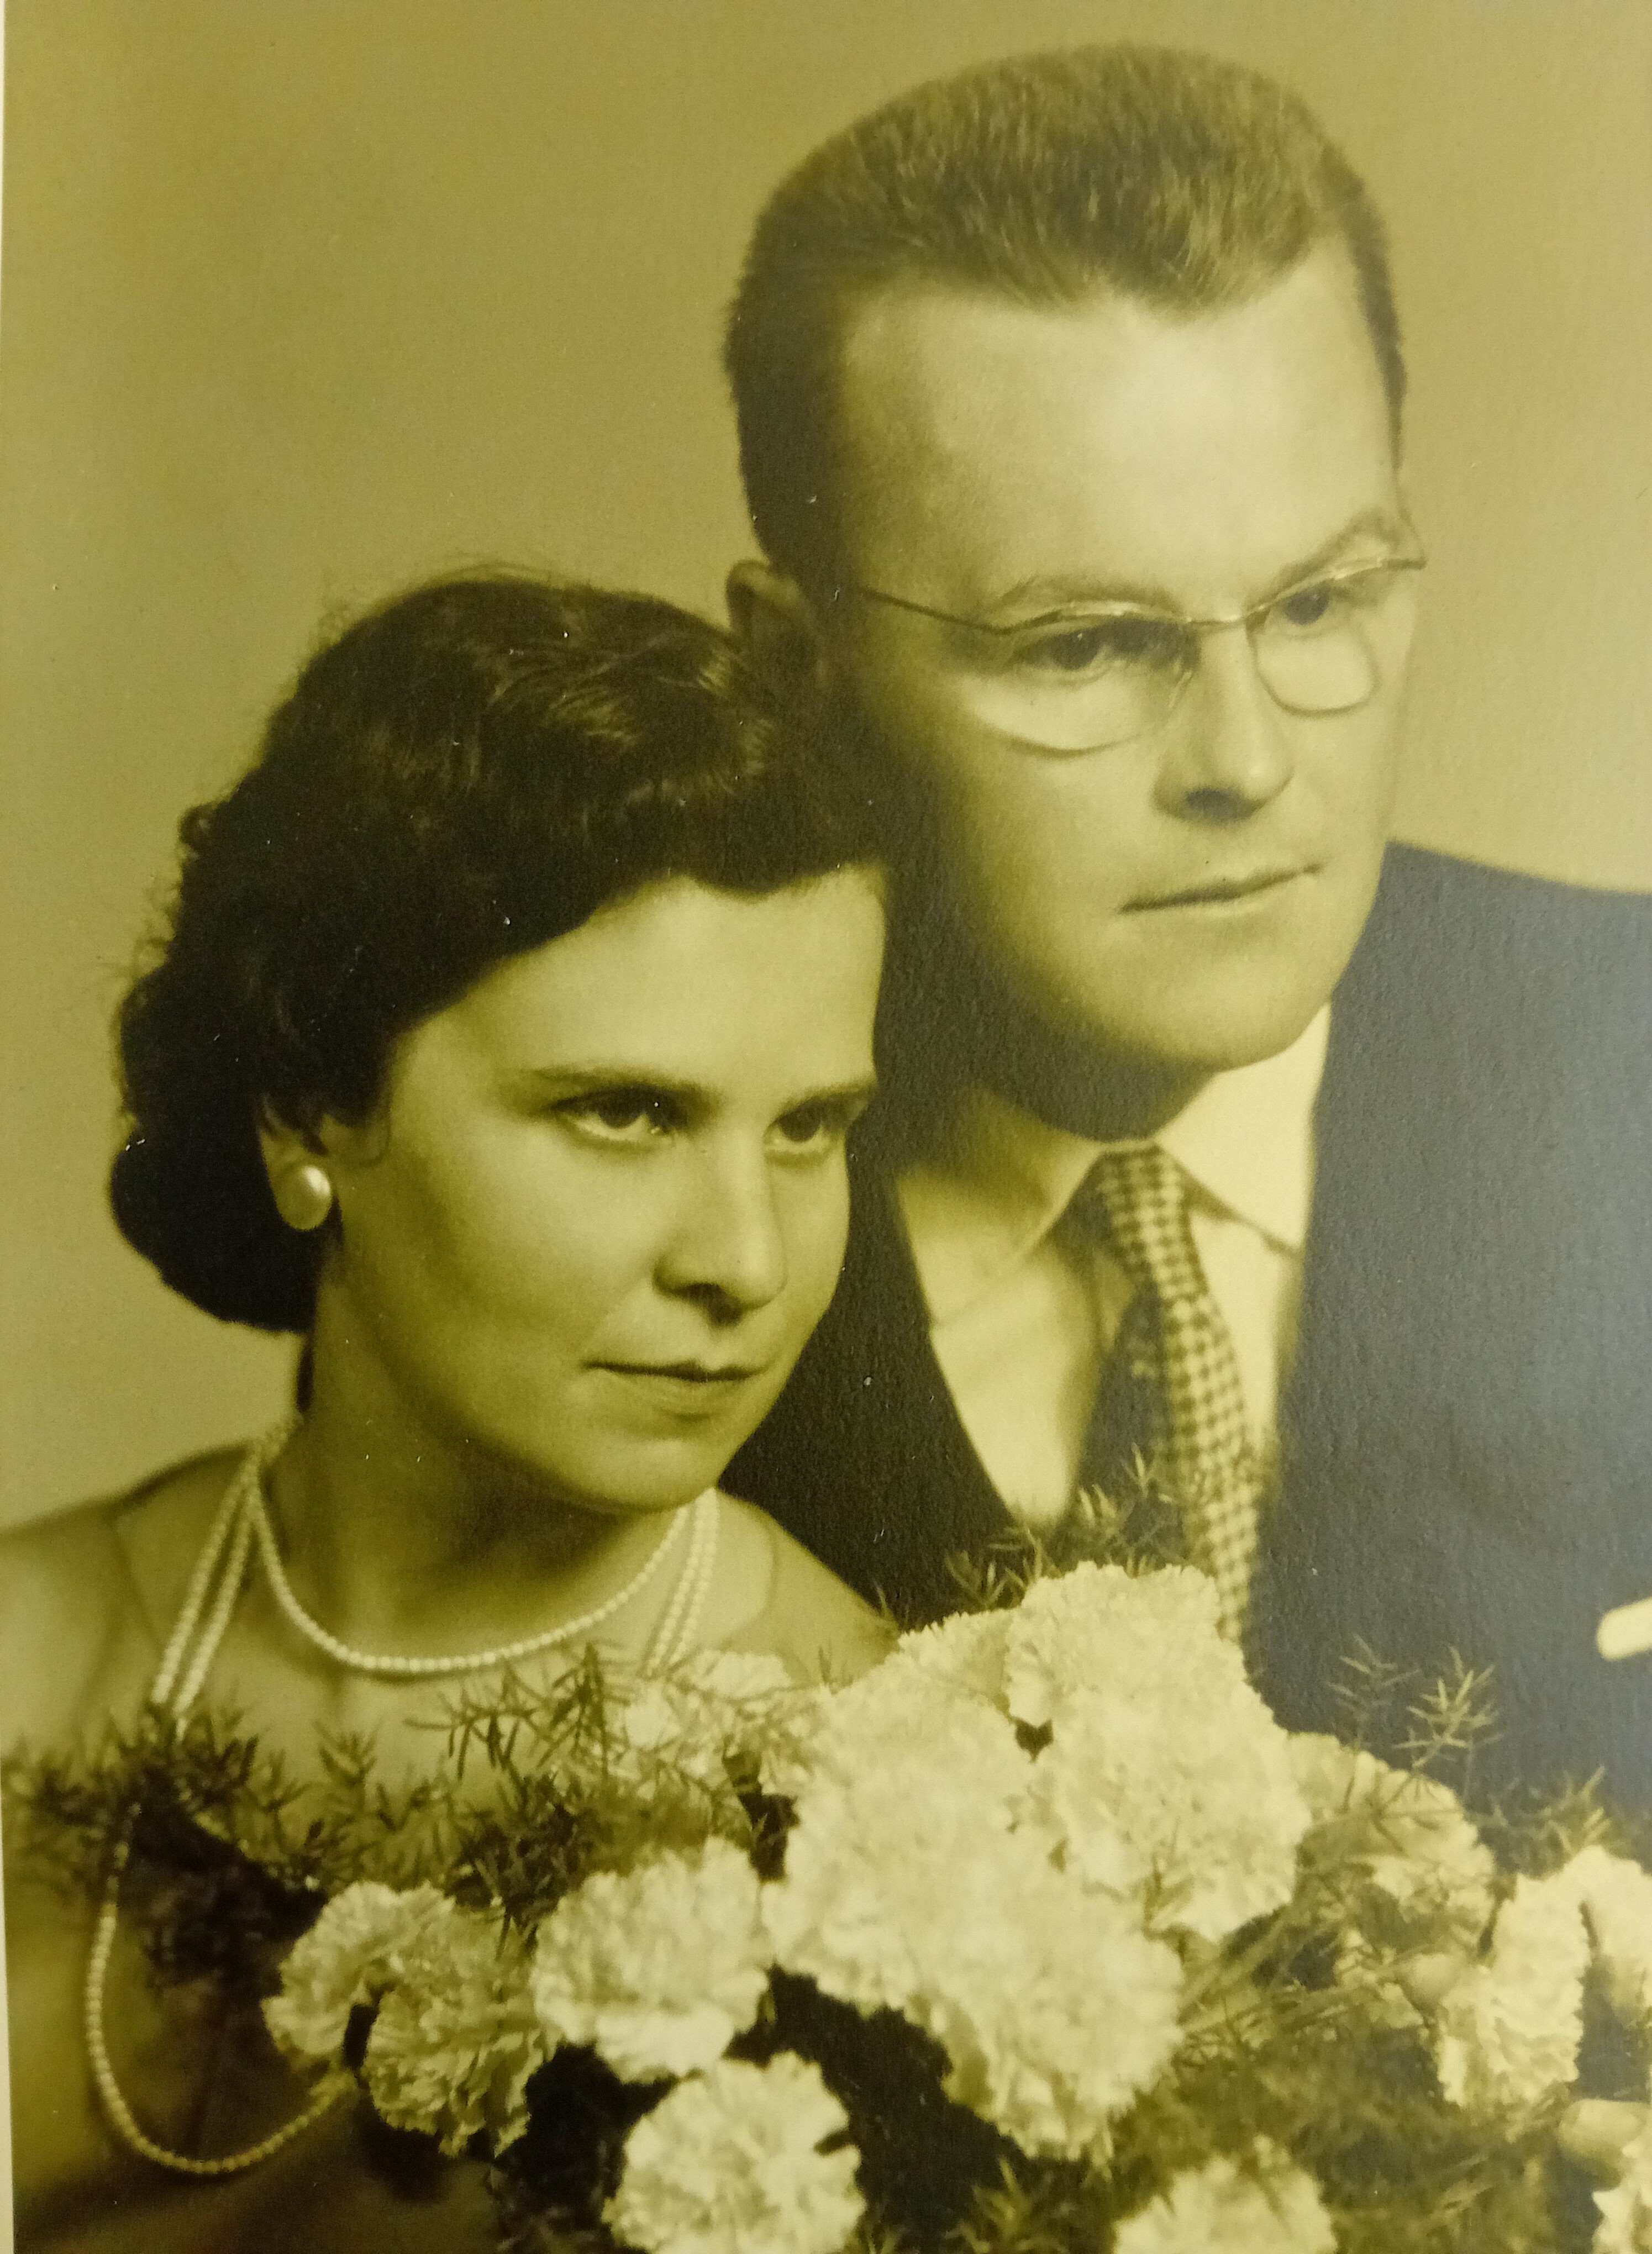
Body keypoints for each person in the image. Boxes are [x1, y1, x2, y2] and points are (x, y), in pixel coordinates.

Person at [717, 44, 1652, 1808]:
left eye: (1318, 601)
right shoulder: (638, 1227)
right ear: (795, 674)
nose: (1246, 762)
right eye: (1081, 643)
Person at [0, 574, 891, 2251]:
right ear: (307, 1108)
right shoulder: (31, 1657)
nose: (747, 1262)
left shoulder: (869, 1792)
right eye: (625, 1113)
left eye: (809, 1129)